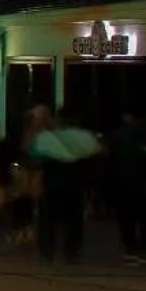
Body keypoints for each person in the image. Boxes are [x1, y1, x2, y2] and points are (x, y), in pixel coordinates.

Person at [31, 109, 103, 264]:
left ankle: (47, 250)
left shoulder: (46, 137)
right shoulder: (87, 137)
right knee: (74, 218)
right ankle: (72, 250)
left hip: (52, 179)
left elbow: (35, 157)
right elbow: (97, 154)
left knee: (47, 218)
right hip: (76, 180)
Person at [103, 113, 146, 265]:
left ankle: (131, 248)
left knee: (126, 218)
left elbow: (109, 162)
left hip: (122, 183)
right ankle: (145, 249)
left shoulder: (116, 136)